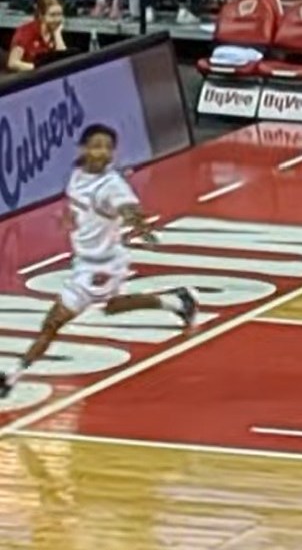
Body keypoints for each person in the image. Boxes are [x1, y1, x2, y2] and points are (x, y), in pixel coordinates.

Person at [0, 125, 197, 399]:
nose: (102, 152)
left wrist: (137, 222)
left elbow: (127, 207)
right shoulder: (78, 175)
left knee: (54, 322)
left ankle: (11, 376)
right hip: (85, 261)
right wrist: (70, 220)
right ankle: (177, 301)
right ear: (84, 149)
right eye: (97, 145)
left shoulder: (111, 185)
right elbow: (77, 206)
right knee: (113, 307)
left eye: (107, 147)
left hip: (101, 267)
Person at [6, 0, 69, 73]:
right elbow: (12, 63)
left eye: (59, 14)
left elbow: (63, 61)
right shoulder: (25, 32)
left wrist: (57, 34)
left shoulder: (55, 31)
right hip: (26, 78)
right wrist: (38, 68)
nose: (57, 19)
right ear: (41, 16)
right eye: (52, 15)